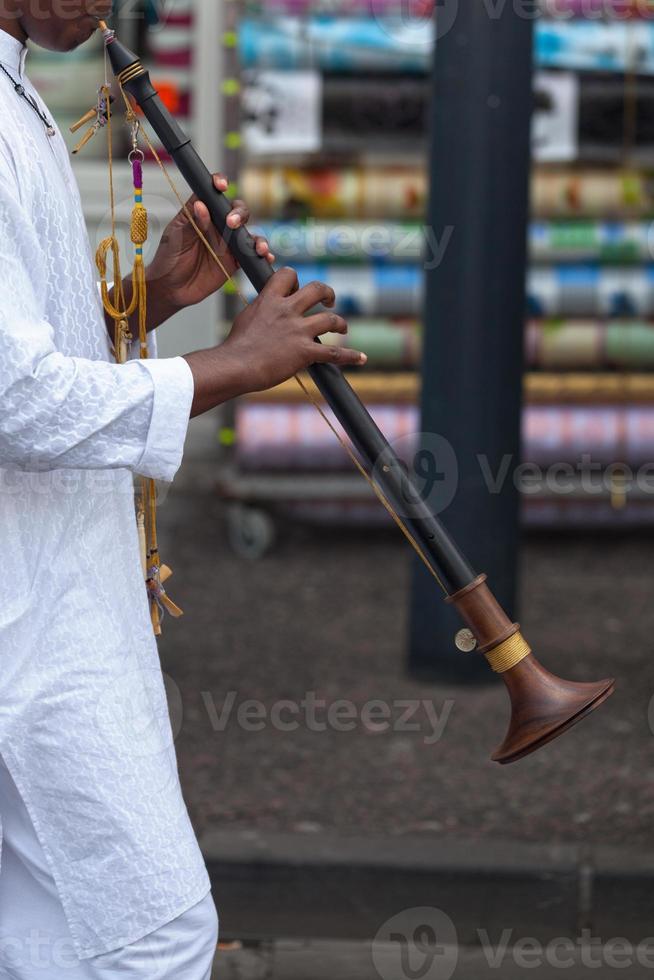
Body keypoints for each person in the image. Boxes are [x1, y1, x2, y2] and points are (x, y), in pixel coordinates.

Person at [0, 1, 367, 977]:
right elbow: (14, 398)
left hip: (51, 594)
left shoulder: (16, 89)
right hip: (36, 624)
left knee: (46, 938)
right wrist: (238, 364)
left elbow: (27, 346)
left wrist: (154, 298)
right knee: (152, 936)